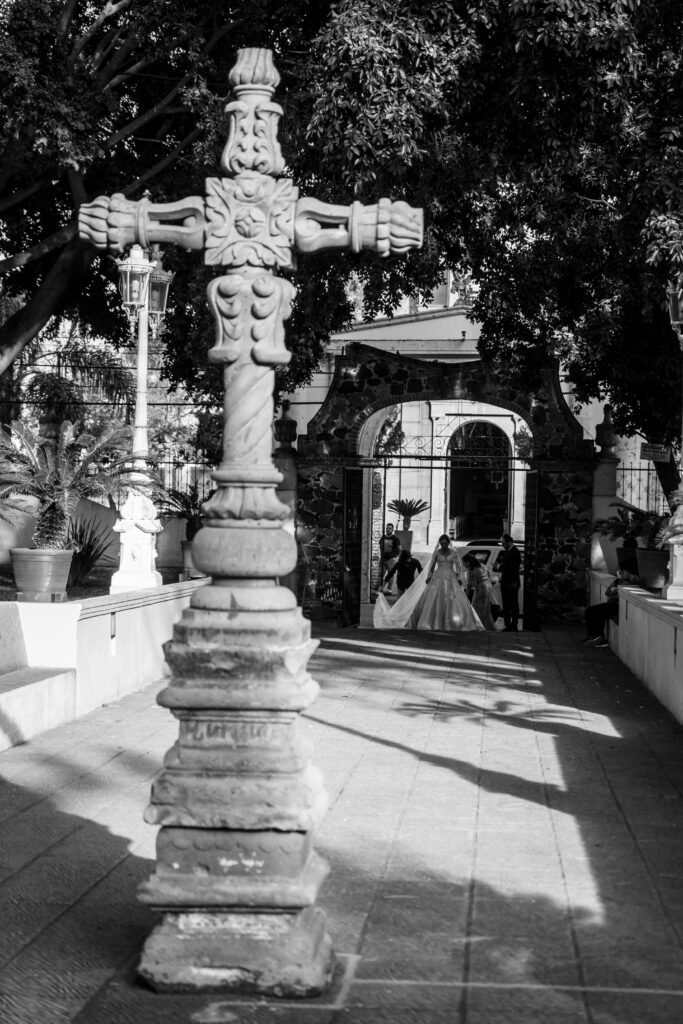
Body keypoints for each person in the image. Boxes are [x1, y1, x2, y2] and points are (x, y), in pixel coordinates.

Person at [583, 568, 638, 647]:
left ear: (627, 572)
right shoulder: (618, 581)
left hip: (619, 607)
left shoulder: (632, 583)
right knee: (589, 610)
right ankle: (593, 636)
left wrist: (614, 595)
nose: (620, 573)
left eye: (622, 571)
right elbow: (607, 592)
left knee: (598, 612)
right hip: (612, 603)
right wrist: (614, 595)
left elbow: (620, 596)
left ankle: (600, 638)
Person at [493, 533, 521, 631]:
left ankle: (512, 625)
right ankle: (508, 624)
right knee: (507, 604)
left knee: (512, 604)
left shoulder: (514, 552)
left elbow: (511, 568)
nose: (503, 545)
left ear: (509, 542)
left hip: (511, 583)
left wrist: (498, 567)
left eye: (503, 543)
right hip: (507, 582)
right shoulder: (509, 551)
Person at [462, 553, 496, 631]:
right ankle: (488, 627)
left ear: (468, 562)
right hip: (487, 587)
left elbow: (469, 586)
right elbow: (488, 575)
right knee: (485, 609)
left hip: (481, 589)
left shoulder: (471, 571)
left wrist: (466, 597)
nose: (463, 564)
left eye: (464, 562)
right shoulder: (482, 566)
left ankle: (478, 627)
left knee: (476, 607)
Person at [377, 523, 401, 592]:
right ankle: (380, 588)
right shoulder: (383, 537)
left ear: (392, 529)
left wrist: (396, 557)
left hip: (391, 559)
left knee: (390, 575)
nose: (388, 529)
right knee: (380, 574)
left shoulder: (395, 539)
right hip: (383, 559)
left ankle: (389, 589)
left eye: (389, 528)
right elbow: (380, 546)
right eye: (387, 528)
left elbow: (400, 549)